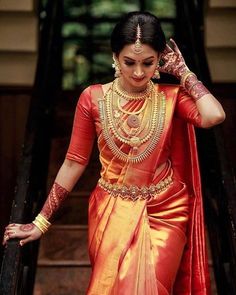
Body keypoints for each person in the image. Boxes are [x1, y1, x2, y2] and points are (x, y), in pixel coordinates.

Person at [3, 11, 225, 295]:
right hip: (110, 211)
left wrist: (184, 73)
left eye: (148, 63)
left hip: (165, 210)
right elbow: (73, 162)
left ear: (160, 60)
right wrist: (40, 223)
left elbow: (214, 115)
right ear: (115, 57)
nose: (138, 72)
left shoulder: (170, 98)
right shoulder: (93, 98)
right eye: (129, 62)